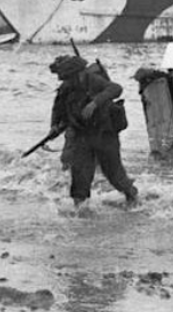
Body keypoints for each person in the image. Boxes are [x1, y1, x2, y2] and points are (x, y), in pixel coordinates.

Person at [48, 55, 137, 208]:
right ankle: (80, 211)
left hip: (104, 134)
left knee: (114, 174)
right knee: (79, 176)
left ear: (77, 73)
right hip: (81, 135)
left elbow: (116, 88)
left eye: (68, 77)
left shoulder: (93, 80)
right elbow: (58, 109)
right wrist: (54, 126)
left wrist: (94, 103)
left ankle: (132, 196)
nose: (65, 81)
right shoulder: (66, 87)